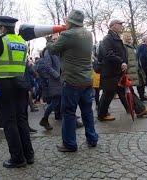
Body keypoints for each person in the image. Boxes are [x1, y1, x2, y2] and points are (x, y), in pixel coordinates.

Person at [0, 15, 34, 168]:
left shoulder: (0, 41)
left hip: (5, 85)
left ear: (3, 28)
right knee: (22, 119)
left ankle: (17, 158)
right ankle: (29, 155)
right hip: (21, 84)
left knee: (9, 120)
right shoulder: (22, 42)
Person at [47, 10, 98, 152]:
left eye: (67, 21)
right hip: (87, 80)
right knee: (87, 111)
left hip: (72, 81)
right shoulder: (88, 34)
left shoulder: (67, 35)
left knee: (69, 112)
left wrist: (51, 39)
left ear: (70, 22)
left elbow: (52, 50)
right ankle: (92, 139)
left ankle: (70, 144)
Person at [97, 19, 129, 121]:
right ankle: (102, 115)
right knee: (108, 93)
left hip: (116, 71)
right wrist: (121, 62)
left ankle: (138, 109)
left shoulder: (115, 38)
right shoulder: (108, 38)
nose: (121, 26)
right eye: (119, 24)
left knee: (121, 91)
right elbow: (108, 54)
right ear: (113, 26)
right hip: (110, 72)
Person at [122, 32, 147, 117]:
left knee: (128, 91)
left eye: (130, 37)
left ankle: (138, 109)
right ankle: (102, 112)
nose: (130, 38)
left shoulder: (132, 47)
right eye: (128, 37)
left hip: (134, 71)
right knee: (124, 92)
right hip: (128, 72)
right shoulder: (124, 47)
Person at [35, 34, 62, 130]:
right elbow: (48, 67)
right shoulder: (48, 51)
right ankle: (45, 119)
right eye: (54, 39)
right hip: (55, 81)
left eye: (57, 39)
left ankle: (46, 119)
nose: (56, 40)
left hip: (60, 79)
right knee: (55, 102)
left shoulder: (57, 49)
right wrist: (58, 76)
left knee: (59, 101)